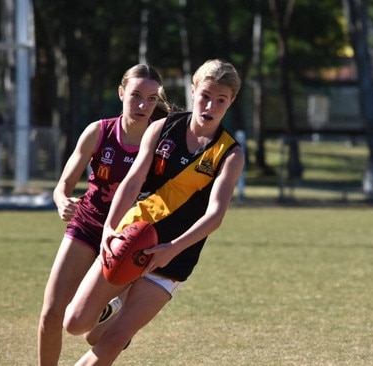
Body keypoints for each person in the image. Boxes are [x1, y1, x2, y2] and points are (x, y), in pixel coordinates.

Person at [63, 59, 245, 365]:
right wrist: (110, 227)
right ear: (192, 91)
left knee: (115, 338)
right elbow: (132, 182)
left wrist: (171, 249)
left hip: (175, 256)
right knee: (76, 323)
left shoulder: (230, 153)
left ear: (231, 102)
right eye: (204, 96)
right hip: (132, 235)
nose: (210, 106)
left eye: (221, 100)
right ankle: (119, 303)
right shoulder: (163, 127)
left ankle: (123, 318)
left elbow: (215, 215)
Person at [38, 64, 172, 366]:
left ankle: (114, 314)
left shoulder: (165, 143)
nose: (142, 105)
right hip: (87, 225)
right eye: (136, 95)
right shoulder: (99, 132)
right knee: (51, 313)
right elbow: (63, 185)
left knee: (94, 335)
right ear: (121, 92)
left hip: (128, 238)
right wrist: (62, 201)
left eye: (152, 99)